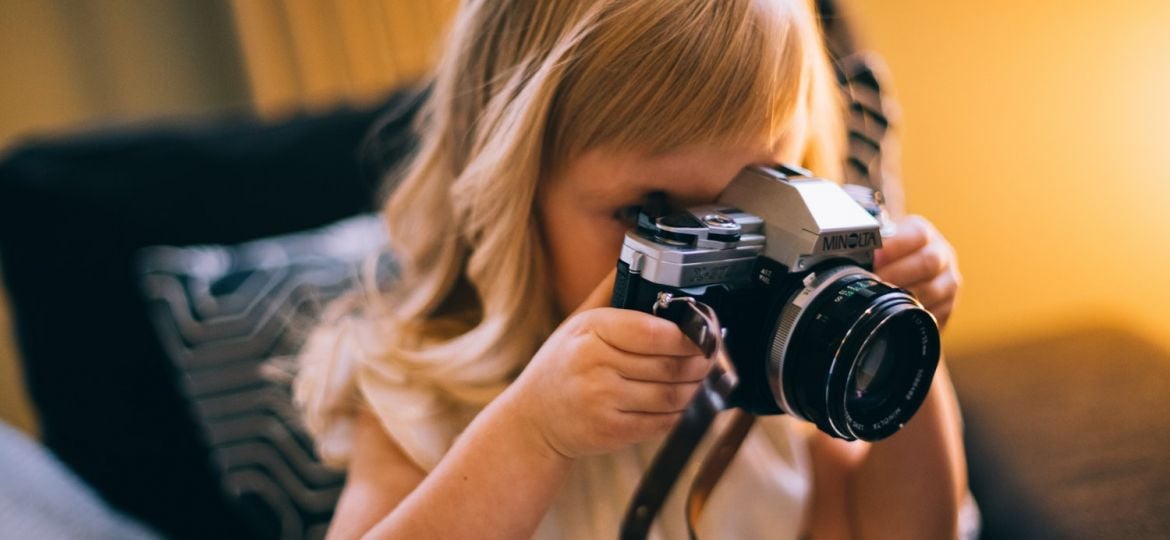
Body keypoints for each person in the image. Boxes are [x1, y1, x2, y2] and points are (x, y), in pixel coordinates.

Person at [295, 0, 968, 538]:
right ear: (515, 197)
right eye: (653, 211)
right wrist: (532, 434)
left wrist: (900, 340)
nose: (714, 257)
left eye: (755, 190)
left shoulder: (775, 386)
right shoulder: (429, 396)